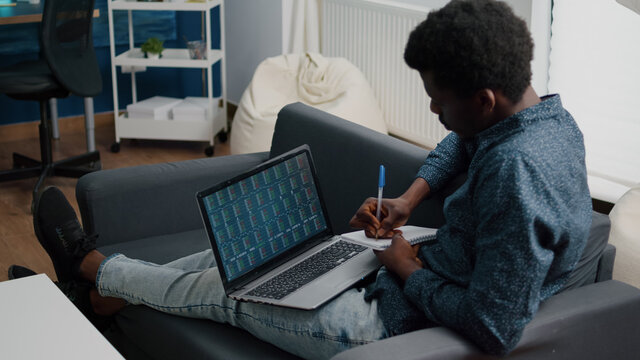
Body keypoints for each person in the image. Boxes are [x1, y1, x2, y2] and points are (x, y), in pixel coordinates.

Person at [16, 0, 592, 358]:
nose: (435, 114)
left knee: (231, 289)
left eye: (438, 101)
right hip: (405, 277)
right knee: (247, 261)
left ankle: (89, 267)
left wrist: (407, 268)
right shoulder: (547, 119)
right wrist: (409, 198)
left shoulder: (519, 176)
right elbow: (464, 143)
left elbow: (495, 328)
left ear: (484, 98)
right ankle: (101, 298)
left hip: (387, 325)